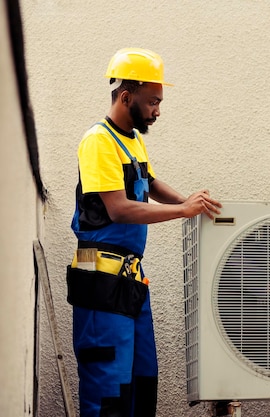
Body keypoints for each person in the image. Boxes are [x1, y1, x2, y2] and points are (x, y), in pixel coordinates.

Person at [67, 47, 222, 417]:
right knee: (109, 389)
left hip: (129, 280)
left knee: (141, 381)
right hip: (100, 279)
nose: (157, 110)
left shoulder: (132, 140)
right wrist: (182, 210)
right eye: (152, 101)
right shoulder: (97, 141)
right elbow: (118, 209)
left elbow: (148, 182)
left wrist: (189, 203)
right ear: (126, 96)